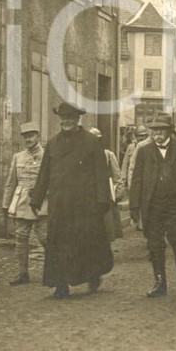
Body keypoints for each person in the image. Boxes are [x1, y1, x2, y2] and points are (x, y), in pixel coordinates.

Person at [29, 102, 114, 299]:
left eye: (70, 118)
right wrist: (36, 199)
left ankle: (93, 275)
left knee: (87, 243)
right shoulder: (53, 143)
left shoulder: (91, 142)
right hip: (60, 204)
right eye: (63, 118)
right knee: (58, 244)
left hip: (85, 205)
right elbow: (44, 173)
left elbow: (101, 173)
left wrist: (103, 200)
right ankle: (61, 284)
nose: (66, 121)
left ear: (77, 119)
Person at [129, 114, 176, 297]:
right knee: (154, 245)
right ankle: (160, 282)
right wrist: (134, 206)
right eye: (154, 131)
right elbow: (137, 179)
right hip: (152, 205)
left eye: (161, 130)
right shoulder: (144, 151)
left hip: (175, 204)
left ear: (169, 131)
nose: (157, 134)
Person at [2, 122, 48, 286]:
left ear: (38, 136)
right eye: (26, 136)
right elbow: (10, 182)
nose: (28, 139)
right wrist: (6, 204)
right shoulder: (18, 157)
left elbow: (54, 180)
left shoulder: (47, 156)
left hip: (42, 202)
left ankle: (53, 271)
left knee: (45, 238)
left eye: (31, 136)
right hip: (21, 202)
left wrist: (44, 192)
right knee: (21, 238)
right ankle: (22, 274)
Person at [90, 127, 125, 241]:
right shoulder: (83, 155)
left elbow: (117, 176)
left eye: (97, 140)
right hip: (89, 196)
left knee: (106, 227)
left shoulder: (108, 155)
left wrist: (118, 194)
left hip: (106, 196)